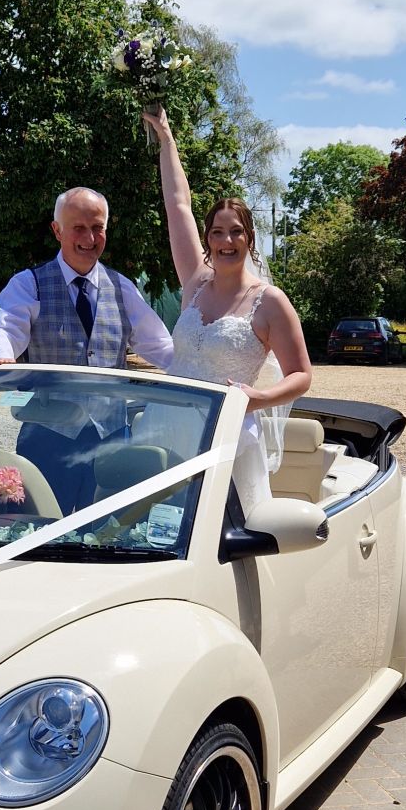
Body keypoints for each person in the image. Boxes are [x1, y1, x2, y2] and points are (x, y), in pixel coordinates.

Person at [141, 106, 313, 514]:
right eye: (217, 232)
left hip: (228, 436)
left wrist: (258, 398)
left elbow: (302, 375)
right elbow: (177, 205)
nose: (226, 240)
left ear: (250, 239)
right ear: (208, 239)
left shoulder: (270, 301)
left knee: (226, 534)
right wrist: (166, 138)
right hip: (168, 427)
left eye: (236, 231)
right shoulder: (195, 285)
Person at [0, 186, 174, 511]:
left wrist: (201, 369)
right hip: (47, 440)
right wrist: (0, 356)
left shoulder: (123, 288)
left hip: (111, 441)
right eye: (79, 228)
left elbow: (162, 347)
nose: (89, 237)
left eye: (97, 227)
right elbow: (5, 327)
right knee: (40, 529)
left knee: (105, 534)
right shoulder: (29, 284)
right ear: (57, 230)